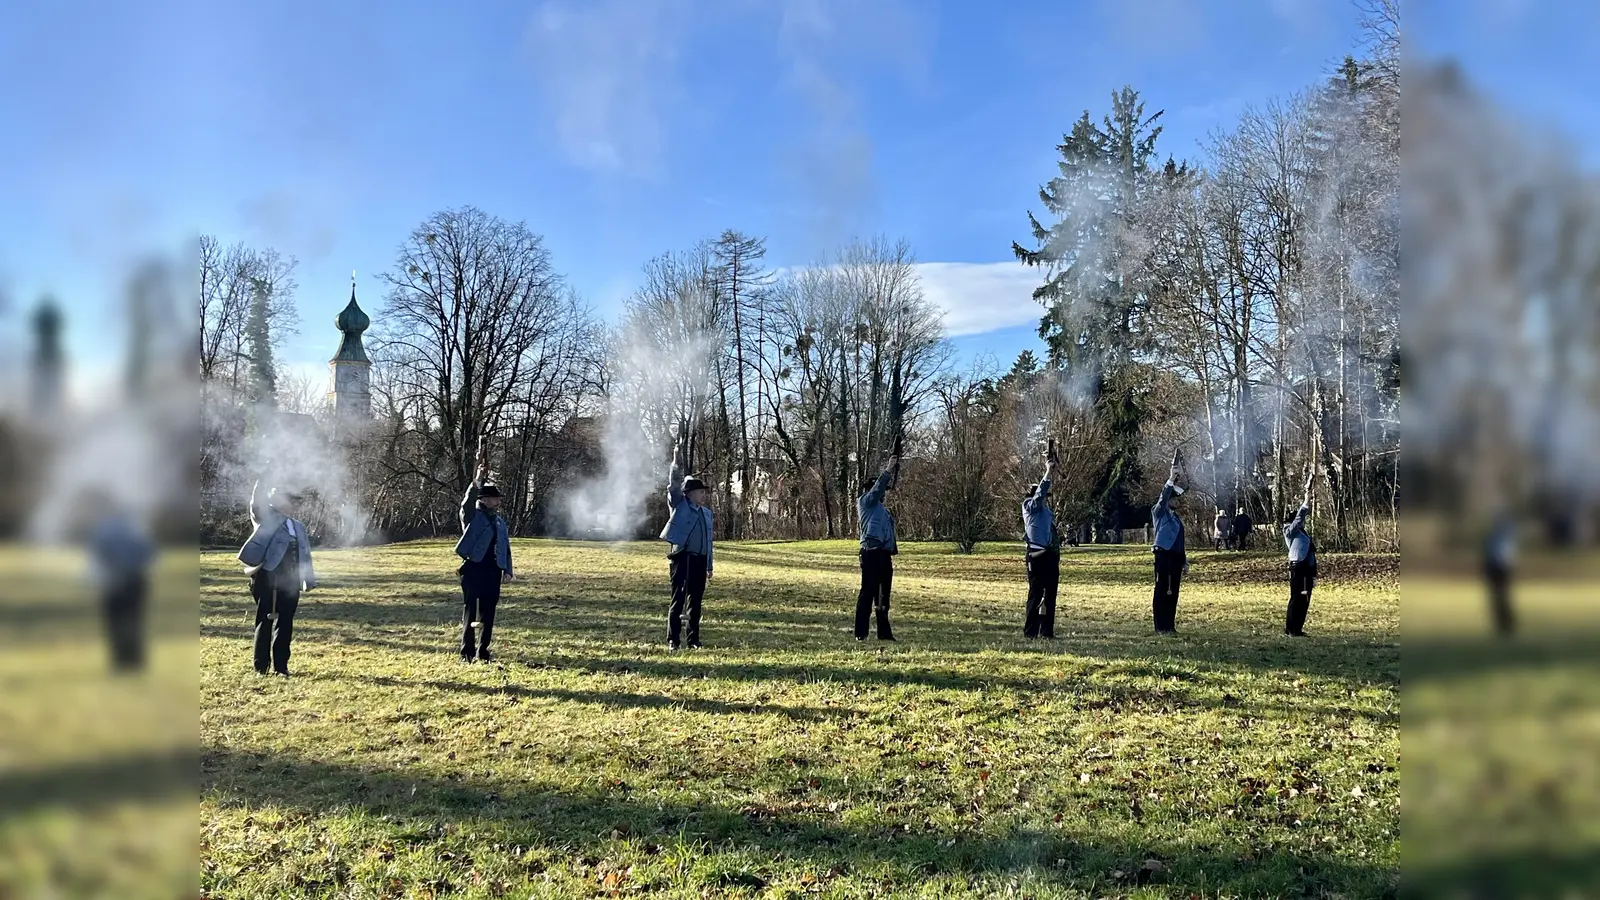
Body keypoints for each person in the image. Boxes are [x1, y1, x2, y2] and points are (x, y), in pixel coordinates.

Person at [237, 481, 317, 676]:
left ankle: (281, 667)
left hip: (291, 578)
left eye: (296, 501)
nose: (294, 505)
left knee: (286, 622)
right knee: (265, 621)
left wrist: (307, 578)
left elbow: (305, 554)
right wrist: (263, 476)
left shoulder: (298, 526)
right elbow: (256, 503)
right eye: (291, 500)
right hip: (267, 577)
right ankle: (261, 667)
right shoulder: (267, 518)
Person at [455, 463, 513, 663]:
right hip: (473, 568)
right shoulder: (472, 516)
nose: (497, 501)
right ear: (485, 499)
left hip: (493, 570)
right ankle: (466, 652)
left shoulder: (500, 522)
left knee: (489, 611)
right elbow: (466, 504)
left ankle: (483, 651)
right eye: (495, 498)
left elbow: (506, 547)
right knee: (470, 609)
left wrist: (507, 569)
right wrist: (478, 479)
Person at [88, 504, 155, 673]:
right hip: (135, 579)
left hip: (112, 579)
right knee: (134, 620)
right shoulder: (137, 530)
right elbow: (148, 554)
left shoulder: (105, 530)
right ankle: (134, 660)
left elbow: (98, 554)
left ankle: (119, 661)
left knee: (115, 622)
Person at [660, 438, 714, 650]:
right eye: (701, 492)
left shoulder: (707, 514)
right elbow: (674, 483)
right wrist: (676, 458)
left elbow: (708, 542)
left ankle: (693, 640)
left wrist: (709, 566)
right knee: (678, 600)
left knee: (696, 603)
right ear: (690, 494)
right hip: (682, 559)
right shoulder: (679, 505)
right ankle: (673, 640)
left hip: (700, 562)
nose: (704, 495)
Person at [856, 453, 900, 641]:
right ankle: (861, 633)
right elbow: (878, 487)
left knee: (883, 598)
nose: (883, 493)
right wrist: (889, 468)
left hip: (884, 555)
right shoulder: (866, 501)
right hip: (871, 554)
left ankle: (884, 633)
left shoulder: (883, 510)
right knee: (867, 594)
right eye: (881, 490)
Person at [1021, 443, 1061, 638]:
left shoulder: (1046, 512)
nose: (1046, 498)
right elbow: (1038, 497)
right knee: (1036, 594)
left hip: (1049, 555)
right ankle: (1030, 632)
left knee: (1050, 594)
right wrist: (1048, 471)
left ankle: (1047, 632)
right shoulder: (1029, 505)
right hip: (1036, 554)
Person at [1150, 463, 1187, 634]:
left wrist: (1184, 561)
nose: (1177, 501)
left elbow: (1180, 541)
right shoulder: (1159, 512)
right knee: (1162, 589)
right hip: (1163, 555)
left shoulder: (1177, 519)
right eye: (1175, 498)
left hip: (1176, 557)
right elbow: (1163, 497)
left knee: (1173, 593)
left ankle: (1170, 626)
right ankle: (1160, 626)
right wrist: (1171, 478)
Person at [1282, 472, 1318, 637]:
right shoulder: (1289, 531)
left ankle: (1298, 628)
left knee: (1304, 597)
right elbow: (1299, 519)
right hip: (1296, 569)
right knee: (1296, 598)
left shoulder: (1303, 534)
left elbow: (1311, 553)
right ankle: (1290, 629)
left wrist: (1313, 575)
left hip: (1305, 571)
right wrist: (1306, 498)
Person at [1484, 512, 1516, 636]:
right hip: (1495, 569)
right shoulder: (1494, 538)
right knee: (1496, 599)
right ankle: (1501, 625)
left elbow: (1507, 558)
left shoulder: (1504, 538)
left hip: (1502, 569)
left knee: (1503, 598)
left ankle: (1507, 625)